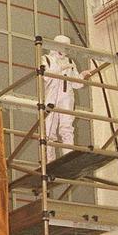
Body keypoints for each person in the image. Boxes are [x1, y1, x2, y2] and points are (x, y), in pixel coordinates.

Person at [42, 35, 89, 164]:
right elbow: (46, 76)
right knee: (49, 130)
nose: (62, 50)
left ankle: (68, 158)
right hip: (52, 96)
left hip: (67, 97)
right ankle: (49, 161)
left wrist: (82, 76)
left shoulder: (70, 62)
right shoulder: (47, 59)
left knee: (67, 127)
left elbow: (76, 84)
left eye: (65, 48)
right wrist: (62, 68)